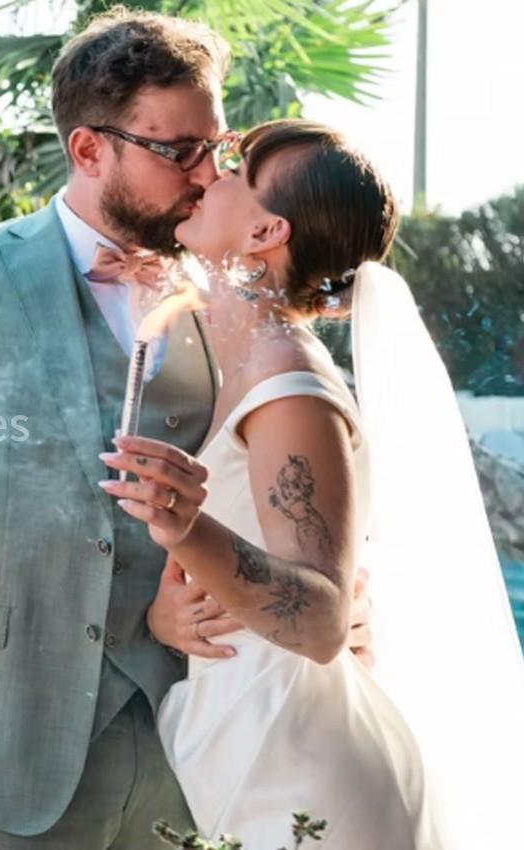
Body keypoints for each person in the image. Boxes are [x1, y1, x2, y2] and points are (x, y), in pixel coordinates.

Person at [0, 11, 367, 848]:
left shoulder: (234, 285)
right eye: (177, 150)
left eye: (215, 148)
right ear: (89, 151)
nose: (203, 174)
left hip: (186, 720)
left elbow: (300, 470)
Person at [108, 119, 524, 848]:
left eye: (234, 172)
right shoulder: (247, 355)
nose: (206, 175)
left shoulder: (290, 389)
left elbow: (323, 620)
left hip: (305, 776)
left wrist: (182, 524)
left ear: (268, 230)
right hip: (254, 744)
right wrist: (163, 619)